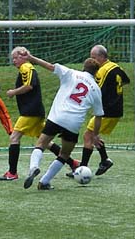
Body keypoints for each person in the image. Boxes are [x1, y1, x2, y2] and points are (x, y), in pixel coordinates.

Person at [22, 50, 104, 190]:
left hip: (57, 117)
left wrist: (31, 58)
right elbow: (98, 116)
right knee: (64, 154)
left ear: (83, 67)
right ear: (96, 73)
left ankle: (34, 167)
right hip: (74, 123)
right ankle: (44, 182)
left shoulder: (71, 73)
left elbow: (49, 66)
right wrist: (95, 135)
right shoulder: (96, 89)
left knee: (41, 143)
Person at [0, 46, 79, 181]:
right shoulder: (27, 68)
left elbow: (29, 85)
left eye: (16, 58)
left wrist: (13, 92)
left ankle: (12, 172)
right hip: (35, 111)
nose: (14, 61)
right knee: (47, 142)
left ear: (23, 56)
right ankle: (73, 163)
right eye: (13, 58)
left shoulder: (26, 67)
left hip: (30, 112)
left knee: (14, 138)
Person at [66, 44, 130, 178]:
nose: (92, 60)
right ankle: (105, 160)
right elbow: (125, 81)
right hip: (116, 109)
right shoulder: (116, 67)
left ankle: (81, 169)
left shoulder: (101, 71)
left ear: (101, 57)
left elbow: (95, 89)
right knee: (94, 135)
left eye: (94, 57)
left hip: (107, 110)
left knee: (88, 136)